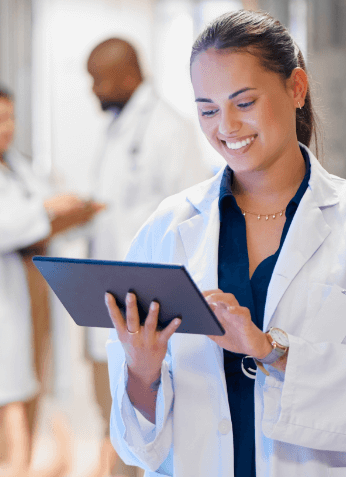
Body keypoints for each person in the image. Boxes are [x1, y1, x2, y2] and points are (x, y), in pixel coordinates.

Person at [104, 10, 346, 477]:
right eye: (208, 109)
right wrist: (143, 372)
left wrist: (271, 351)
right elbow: (138, 446)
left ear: (296, 89)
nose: (227, 127)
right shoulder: (167, 228)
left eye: (244, 102)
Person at [0, 84, 102, 473]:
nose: (7, 127)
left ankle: (20, 466)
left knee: (30, 391)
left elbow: (41, 215)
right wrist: (46, 209)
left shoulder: (16, 165)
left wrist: (71, 210)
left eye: (10, 117)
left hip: (31, 295)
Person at [84, 38, 213, 476]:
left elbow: (193, 217)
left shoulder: (167, 129)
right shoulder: (119, 127)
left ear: (126, 75)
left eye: (98, 79)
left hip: (148, 305)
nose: (93, 89)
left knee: (144, 428)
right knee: (116, 417)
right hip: (114, 299)